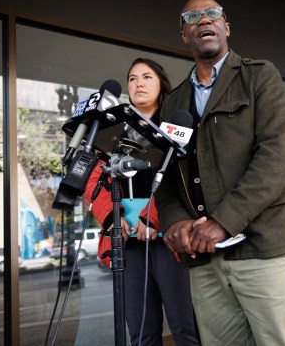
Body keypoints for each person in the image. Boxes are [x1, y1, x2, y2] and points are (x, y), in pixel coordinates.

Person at [155, 0, 285, 346]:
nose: (203, 20)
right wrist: (176, 221)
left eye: (212, 14)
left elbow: (276, 156)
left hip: (261, 249)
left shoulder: (259, 76)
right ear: (184, 34)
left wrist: (223, 221)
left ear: (226, 26)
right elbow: (166, 179)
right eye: (192, 17)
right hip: (204, 261)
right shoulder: (174, 102)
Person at [86, 58, 201, 346]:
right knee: (141, 334)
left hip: (169, 237)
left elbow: (180, 180)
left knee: (185, 328)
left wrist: (152, 218)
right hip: (127, 241)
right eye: (133, 78)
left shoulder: (177, 127)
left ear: (161, 84)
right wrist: (113, 218)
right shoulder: (111, 130)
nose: (139, 83)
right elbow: (93, 180)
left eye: (147, 77)